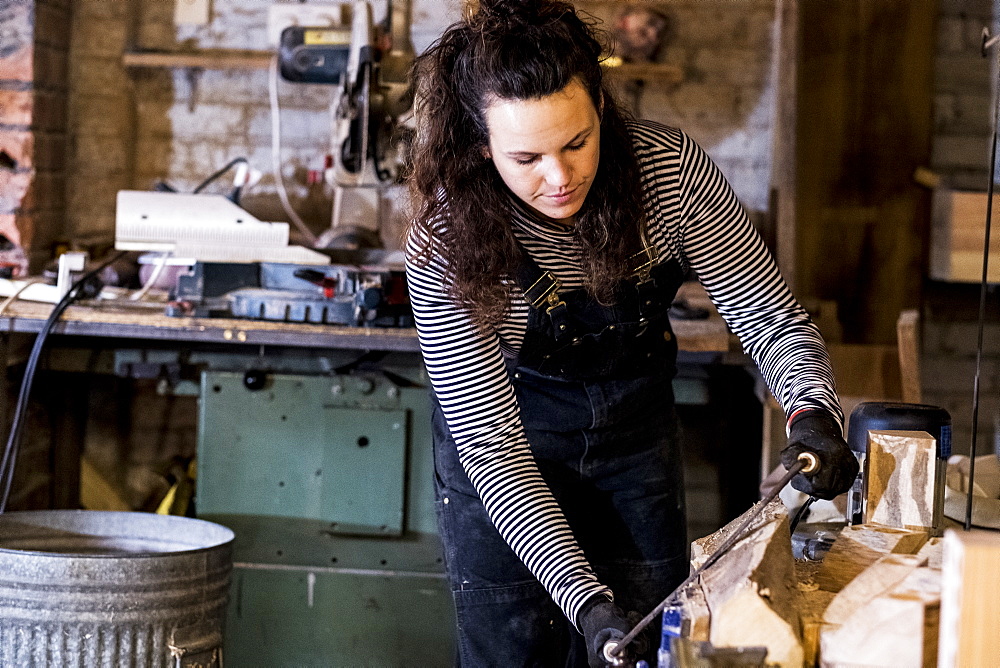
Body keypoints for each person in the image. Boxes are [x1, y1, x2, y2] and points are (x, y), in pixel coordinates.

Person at [404, 1, 859, 665]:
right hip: (506, 466)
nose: (559, 177)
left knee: (645, 650)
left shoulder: (668, 176)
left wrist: (811, 409)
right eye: (527, 157)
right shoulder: (448, 243)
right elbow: (493, 448)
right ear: (482, 147)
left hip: (633, 449)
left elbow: (768, 317)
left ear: (602, 111)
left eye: (577, 142)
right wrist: (585, 600)